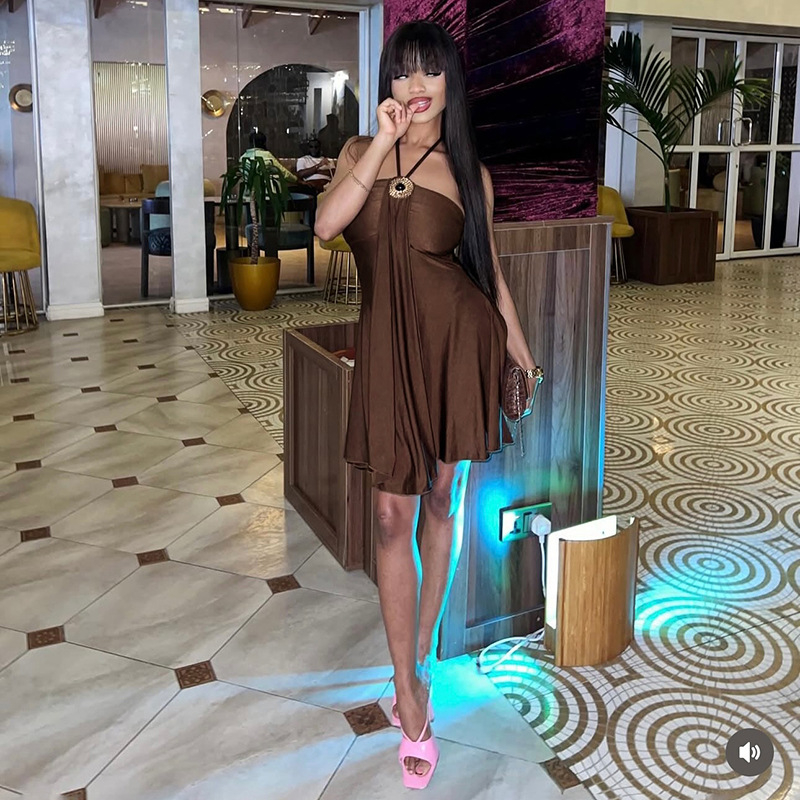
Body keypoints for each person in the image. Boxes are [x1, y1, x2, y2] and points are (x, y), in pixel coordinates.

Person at [315, 20, 539, 790]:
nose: (415, 86)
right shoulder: (360, 151)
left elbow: (489, 273)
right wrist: (381, 143)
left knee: (442, 498)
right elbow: (327, 226)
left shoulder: (468, 173)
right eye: (402, 72)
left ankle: (419, 657)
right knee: (389, 515)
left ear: (450, 84)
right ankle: (409, 696)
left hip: (457, 347)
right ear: (387, 83)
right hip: (386, 351)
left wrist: (518, 351)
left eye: (429, 72)